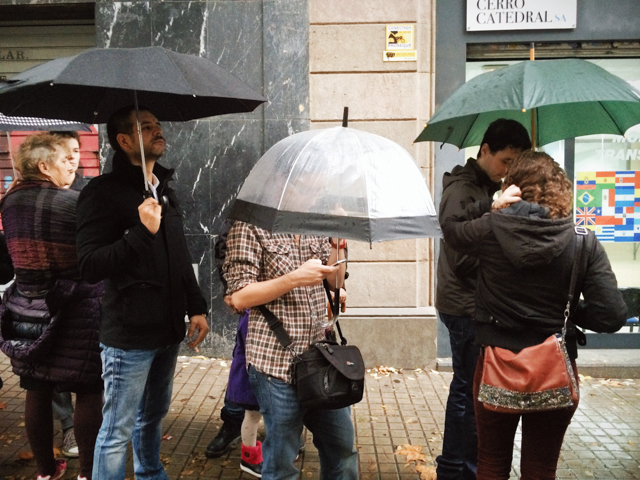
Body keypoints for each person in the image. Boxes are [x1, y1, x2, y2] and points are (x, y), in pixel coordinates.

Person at [442, 151, 627, 479]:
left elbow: (451, 228)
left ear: (515, 187)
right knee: (541, 469)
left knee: (491, 464)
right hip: (554, 369)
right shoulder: (583, 242)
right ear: (562, 190)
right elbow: (611, 315)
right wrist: (570, 312)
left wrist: (491, 203)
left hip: (494, 367)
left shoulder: (490, 229)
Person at [75, 106, 209, 480]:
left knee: (152, 415)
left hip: (167, 330)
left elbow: (179, 257)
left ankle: (150, 473)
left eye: (157, 125)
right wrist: (140, 232)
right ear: (123, 141)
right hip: (129, 336)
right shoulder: (101, 193)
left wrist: (196, 306)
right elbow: (89, 265)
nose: (157, 131)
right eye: (145, 127)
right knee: (117, 428)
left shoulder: (164, 190)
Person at [0, 133, 104, 480]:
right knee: (89, 387)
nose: (72, 164)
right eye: (65, 159)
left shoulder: (9, 203)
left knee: (35, 387)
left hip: (26, 308)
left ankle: (46, 471)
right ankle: (88, 474)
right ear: (43, 166)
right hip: (77, 309)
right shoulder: (72, 204)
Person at [223, 221, 357, 480]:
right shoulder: (250, 226)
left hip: (321, 361)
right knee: (283, 460)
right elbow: (239, 297)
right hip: (276, 365)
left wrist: (337, 245)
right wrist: (294, 278)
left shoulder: (316, 221)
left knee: (342, 449)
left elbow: (335, 282)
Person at [435, 118, 531, 480]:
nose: (508, 170)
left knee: (467, 388)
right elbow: (462, 257)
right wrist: (497, 220)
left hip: (472, 303)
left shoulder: (483, 187)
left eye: (515, 163)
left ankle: (456, 467)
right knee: (469, 391)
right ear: (485, 150)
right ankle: (459, 468)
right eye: (506, 161)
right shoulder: (463, 191)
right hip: (464, 305)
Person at [48, 130, 89, 459]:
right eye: (66, 153)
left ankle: (88, 428)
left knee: (86, 367)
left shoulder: (88, 191)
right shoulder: (36, 194)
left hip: (84, 291)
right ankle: (68, 425)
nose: (74, 158)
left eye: (77, 150)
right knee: (53, 367)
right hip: (47, 293)